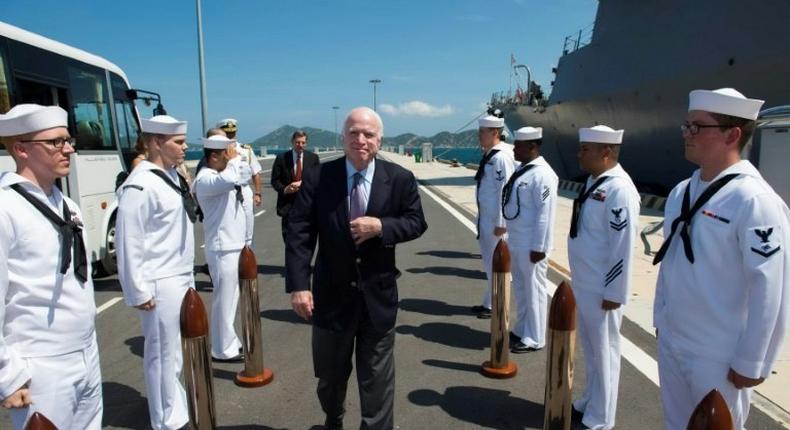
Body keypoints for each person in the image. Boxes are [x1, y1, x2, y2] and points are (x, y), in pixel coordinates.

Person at [652, 88, 788, 429]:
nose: (686, 133)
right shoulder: (682, 192)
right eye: (686, 125)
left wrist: (752, 361)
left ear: (732, 134)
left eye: (697, 127)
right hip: (674, 338)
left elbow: (771, 288)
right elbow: (671, 263)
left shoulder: (754, 201)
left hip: (718, 353)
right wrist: (661, 318)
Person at [286, 107, 427, 430]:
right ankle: (333, 419)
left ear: (380, 140)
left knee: (377, 380)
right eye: (354, 133)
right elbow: (300, 231)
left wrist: (382, 226)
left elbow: (416, 222)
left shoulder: (400, 179)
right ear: (343, 137)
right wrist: (299, 285)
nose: (360, 140)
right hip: (330, 298)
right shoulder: (319, 177)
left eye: (369, 134)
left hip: (377, 298)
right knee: (330, 377)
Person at [0, 104, 102, 429]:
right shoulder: (6, 207)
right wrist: (7, 376)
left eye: (68, 139)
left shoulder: (65, 203)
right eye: (56, 142)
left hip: (85, 350)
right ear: (21, 149)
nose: (68, 148)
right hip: (41, 363)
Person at [116, 114, 196, 430]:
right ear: (156, 142)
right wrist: (138, 290)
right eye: (178, 142)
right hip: (160, 280)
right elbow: (128, 239)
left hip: (179, 275)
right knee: (162, 354)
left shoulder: (171, 177)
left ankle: (174, 408)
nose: (185, 147)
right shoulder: (141, 184)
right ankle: (165, 420)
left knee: (174, 353)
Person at [567, 125, 640, 430]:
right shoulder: (594, 182)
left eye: (586, 149)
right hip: (586, 282)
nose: (580, 154)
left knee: (605, 351)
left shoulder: (619, 189)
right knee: (591, 348)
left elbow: (622, 247)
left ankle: (601, 419)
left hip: (602, 288)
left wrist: (614, 291)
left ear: (606, 152)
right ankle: (590, 400)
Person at [191, 134, 252, 362]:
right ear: (214, 156)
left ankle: (228, 341)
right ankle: (221, 348)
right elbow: (230, 179)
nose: (232, 156)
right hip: (222, 247)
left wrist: (238, 160)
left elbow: (242, 176)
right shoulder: (205, 179)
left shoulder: (222, 174)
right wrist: (234, 161)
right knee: (224, 299)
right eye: (227, 153)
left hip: (233, 243)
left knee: (231, 299)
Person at [501, 126, 558, 353]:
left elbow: (546, 213)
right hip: (517, 240)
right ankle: (522, 328)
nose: (514, 149)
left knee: (534, 289)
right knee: (522, 290)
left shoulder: (543, 174)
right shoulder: (523, 170)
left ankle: (535, 337)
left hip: (531, 245)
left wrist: (539, 247)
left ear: (532, 147)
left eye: (518, 145)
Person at [471, 114, 516, 319]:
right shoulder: (490, 154)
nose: (480, 135)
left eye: (483, 132)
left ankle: (497, 305)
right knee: (490, 264)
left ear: (495, 133)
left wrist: (501, 223)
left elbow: (504, 191)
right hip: (486, 218)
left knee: (497, 265)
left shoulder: (501, 157)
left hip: (495, 222)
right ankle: (490, 302)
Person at [217, 118, 263, 247]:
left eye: (233, 133)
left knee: (248, 226)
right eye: (228, 133)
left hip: (244, 189)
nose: (231, 136)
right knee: (226, 225)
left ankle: (248, 258)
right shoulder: (217, 152)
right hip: (226, 190)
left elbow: (256, 172)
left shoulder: (245, 150)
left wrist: (258, 193)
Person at [271, 130, 320, 241]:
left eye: (303, 143)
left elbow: (318, 180)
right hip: (287, 207)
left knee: (306, 241)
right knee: (288, 240)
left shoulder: (313, 158)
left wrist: (303, 183)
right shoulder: (281, 158)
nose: (300, 145)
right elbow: (275, 180)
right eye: (298, 142)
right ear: (292, 142)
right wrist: (285, 189)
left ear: (306, 143)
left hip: (307, 207)